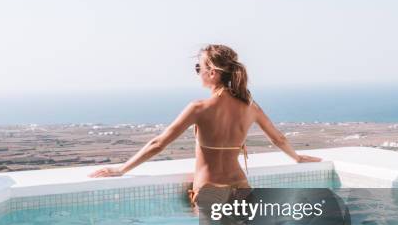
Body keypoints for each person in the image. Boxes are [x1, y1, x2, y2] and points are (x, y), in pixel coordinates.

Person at [89, 44, 322, 208]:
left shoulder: (199, 108)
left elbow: (158, 143)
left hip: (209, 191)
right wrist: (297, 158)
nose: (198, 73)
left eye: (198, 68)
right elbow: (278, 138)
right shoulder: (250, 107)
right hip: (242, 188)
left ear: (212, 73)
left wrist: (122, 170)